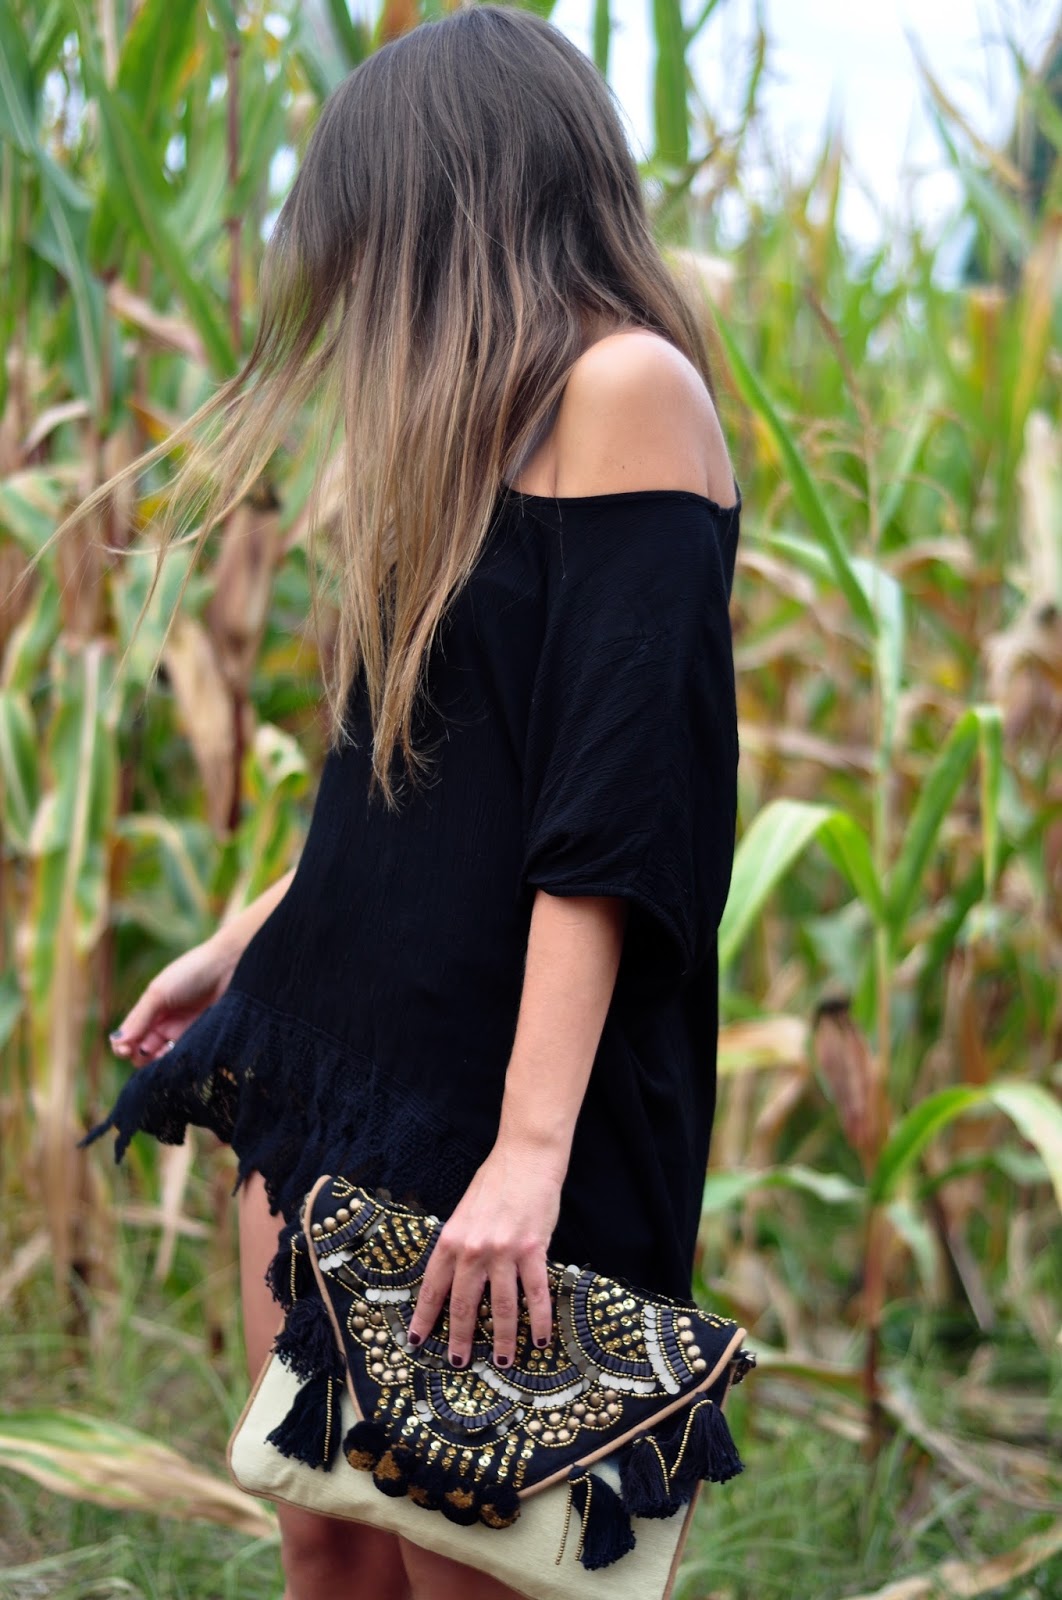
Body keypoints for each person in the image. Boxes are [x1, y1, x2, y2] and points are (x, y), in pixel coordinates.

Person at [81, 7, 742, 1598]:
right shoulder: (465, 432)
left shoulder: (625, 388)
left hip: (504, 1083)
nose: (354, 274)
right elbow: (408, 778)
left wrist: (526, 1154)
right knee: (325, 1529)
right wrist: (245, 945)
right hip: (334, 1046)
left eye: (369, 222)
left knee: (467, 1560)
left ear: (456, 197)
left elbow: (606, 818)